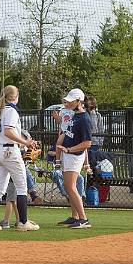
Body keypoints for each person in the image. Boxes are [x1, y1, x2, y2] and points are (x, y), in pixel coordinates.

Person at [0, 85, 39, 232]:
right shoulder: (11, 111)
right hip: (9, 151)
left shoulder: (1, 110)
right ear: (15, 97)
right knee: (21, 187)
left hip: (0, 151)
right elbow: (8, 131)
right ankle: (23, 222)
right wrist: (25, 142)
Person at [56, 88, 93, 229]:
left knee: (71, 186)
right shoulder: (75, 115)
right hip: (69, 154)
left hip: (74, 155)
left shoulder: (84, 118)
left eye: (72, 101)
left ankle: (83, 219)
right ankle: (75, 216)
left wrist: (69, 149)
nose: (69, 103)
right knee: (68, 186)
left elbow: (87, 143)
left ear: (79, 101)